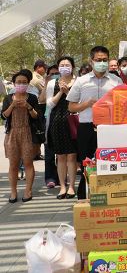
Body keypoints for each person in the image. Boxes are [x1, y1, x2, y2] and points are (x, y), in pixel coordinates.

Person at [67, 46, 122, 199]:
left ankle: (109, 195)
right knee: (87, 163)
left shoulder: (115, 81)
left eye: (105, 60)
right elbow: (71, 106)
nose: (102, 63)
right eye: (98, 60)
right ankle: (84, 196)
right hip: (87, 127)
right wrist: (86, 104)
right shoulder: (81, 81)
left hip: (109, 129)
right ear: (91, 61)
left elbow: (122, 105)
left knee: (109, 163)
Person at [2, 69, 42, 202]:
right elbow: (4, 115)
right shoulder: (8, 98)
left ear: (28, 84)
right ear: (13, 83)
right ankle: (13, 192)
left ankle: (28, 190)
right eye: (18, 82)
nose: (21, 84)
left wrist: (29, 107)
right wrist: (12, 105)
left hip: (28, 134)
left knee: (28, 163)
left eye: (24, 82)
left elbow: (36, 117)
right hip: (12, 134)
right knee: (13, 165)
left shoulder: (32, 98)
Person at [44, 57, 78, 199]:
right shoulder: (52, 83)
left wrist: (67, 92)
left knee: (72, 155)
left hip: (73, 120)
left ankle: (71, 186)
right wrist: (60, 92)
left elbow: (79, 101)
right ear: (58, 68)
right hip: (57, 121)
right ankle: (62, 186)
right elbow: (49, 104)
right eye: (62, 65)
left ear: (73, 67)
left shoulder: (78, 81)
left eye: (67, 65)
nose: (65, 67)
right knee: (61, 156)